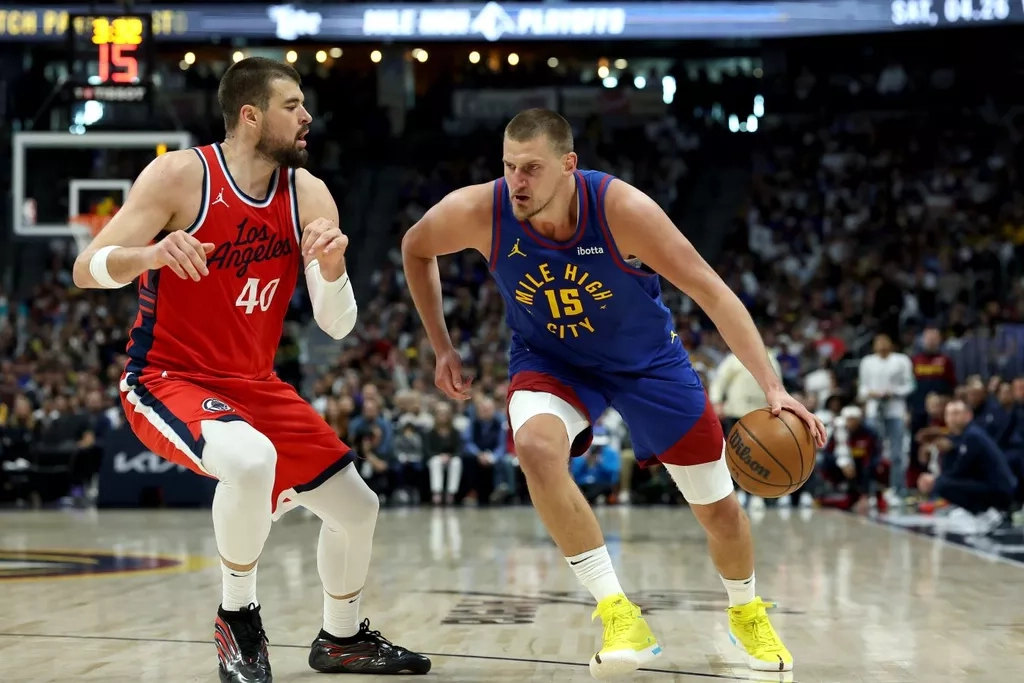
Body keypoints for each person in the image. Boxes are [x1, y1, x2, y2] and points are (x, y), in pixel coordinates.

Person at [401, 108, 825, 678]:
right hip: (552, 361)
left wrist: (773, 387)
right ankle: (619, 614)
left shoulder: (622, 210)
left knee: (721, 511)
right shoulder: (481, 210)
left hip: (648, 365)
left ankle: (746, 613)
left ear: (568, 165)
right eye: (509, 167)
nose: (517, 181)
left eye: (532, 168)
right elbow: (415, 247)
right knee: (536, 449)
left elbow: (713, 292)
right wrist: (442, 347)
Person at [72, 57, 429, 682]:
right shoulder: (181, 177)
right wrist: (150, 254)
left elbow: (336, 326)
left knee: (358, 507)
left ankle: (342, 639)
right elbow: (86, 269)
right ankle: (237, 618)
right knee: (251, 459)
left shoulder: (308, 193)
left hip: (256, 385)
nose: (307, 116)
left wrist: (333, 270)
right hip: (168, 377)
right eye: (292, 105)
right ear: (251, 115)